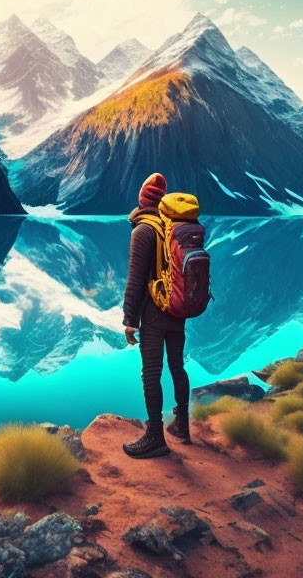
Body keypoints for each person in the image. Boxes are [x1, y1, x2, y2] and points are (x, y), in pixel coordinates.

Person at [121, 173, 191, 459]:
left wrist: (129, 320)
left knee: (151, 373)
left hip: (153, 313)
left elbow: (135, 280)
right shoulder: (173, 227)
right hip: (178, 308)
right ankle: (183, 425)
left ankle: (155, 437)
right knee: (177, 366)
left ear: (142, 199)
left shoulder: (143, 231)